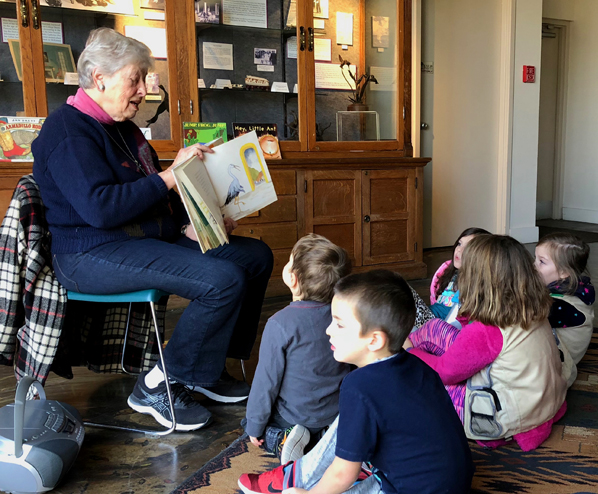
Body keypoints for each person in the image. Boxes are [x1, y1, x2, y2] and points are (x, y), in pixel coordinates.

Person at [32, 28, 273, 431]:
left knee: (253, 257)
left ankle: (207, 370)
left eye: (145, 79)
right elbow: (102, 208)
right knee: (222, 279)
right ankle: (158, 384)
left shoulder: (122, 127)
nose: (144, 90)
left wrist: (191, 221)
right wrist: (168, 178)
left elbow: (153, 190)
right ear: (99, 78)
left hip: (141, 238)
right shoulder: (66, 131)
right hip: (89, 252)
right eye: (136, 79)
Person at [238, 270, 474, 494]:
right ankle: (301, 473)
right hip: (453, 483)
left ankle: (295, 478)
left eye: (339, 324)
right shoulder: (418, 366)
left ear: (373, 340)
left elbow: (343, 474)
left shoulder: (358, 385)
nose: (328, 330)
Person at [407, 234, 567, 451]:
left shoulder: (488, 329)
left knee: (416, 386)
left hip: (498, 418)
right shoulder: (527, 308)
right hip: (541, 402)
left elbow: (444, 373)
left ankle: (401, 352)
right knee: (435, 329)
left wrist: (410, 353)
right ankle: (409, 344)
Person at [244, 234, 351, 464]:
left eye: (289, 261)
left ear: (292, 279)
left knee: (254, 424)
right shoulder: (343, 317)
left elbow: (266, 382)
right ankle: (325, 437)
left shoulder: (279, 323)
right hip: (335, 412)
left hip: (294, 417)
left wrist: (254, 425)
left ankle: (283, 440)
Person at [534, 232, 594, 386]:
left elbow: (529, 312)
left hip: (561, 367)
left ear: (564, 272)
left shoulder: (562, 305)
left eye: (541, 261)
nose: (534, 265)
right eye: (535, 259)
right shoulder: (571, 290)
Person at [428, 227, 490, 322]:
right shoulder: (449, 272)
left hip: (443, 327)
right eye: (459, 244)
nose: (459, 250)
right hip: (432, 316)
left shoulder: (476, 286)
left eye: (468, 248)